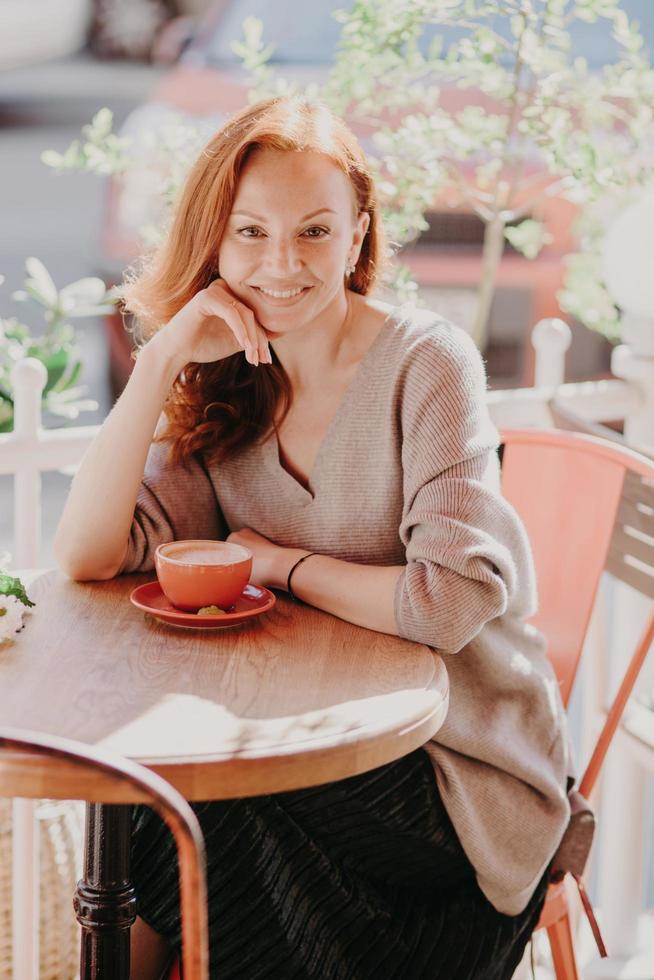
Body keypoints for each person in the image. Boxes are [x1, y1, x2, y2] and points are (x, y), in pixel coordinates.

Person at [54, 96, 572, 980]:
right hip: (308, 728)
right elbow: (90, 554)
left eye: (315, 232)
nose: (281, 265)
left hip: (452, 770)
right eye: (250, 233)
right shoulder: (227, 379)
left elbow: (441, 606)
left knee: (203, 810)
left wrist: (278, 563)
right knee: (165, 803)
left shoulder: (426, 363)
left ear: (359, 235)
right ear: (214, 242)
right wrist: (160, 359)